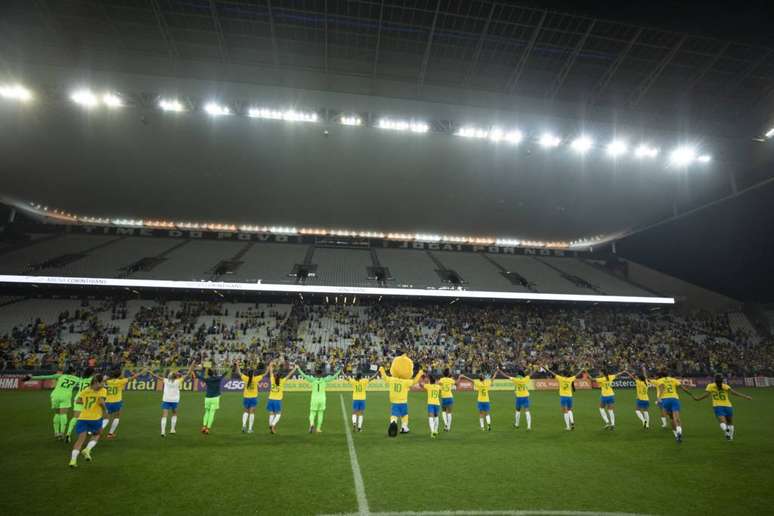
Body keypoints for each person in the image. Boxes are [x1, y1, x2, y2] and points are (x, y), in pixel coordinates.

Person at [26, 368, 82, 439]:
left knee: (57, 413)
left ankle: (56, 432)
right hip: (66, 396)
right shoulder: (77, 379)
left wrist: (32, 377)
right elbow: (86, 384)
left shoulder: (60, 375)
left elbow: (45, 377)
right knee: (63, 414)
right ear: (73, 372)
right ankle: (62, 432)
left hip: (55, 395)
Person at [693, 374, 752, 440]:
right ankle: (730, 437)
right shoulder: (725, 386)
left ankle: (726, 430)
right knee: (730, 422)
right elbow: (734, 393)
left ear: (715, 379)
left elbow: (706, 395)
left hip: (717, 406)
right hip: (728, 406)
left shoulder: (710, 386)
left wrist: (698, 399)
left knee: (722, 422)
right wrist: (746, 397)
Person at [68, 375, 107, 468]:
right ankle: (87, 450)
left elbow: (77, 400)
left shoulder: (85, 390)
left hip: (82, 418)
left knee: (80, 440)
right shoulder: (102, 390)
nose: (104, 384)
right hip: (95, 418)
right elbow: (101, 402)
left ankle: (73, 460)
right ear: (97, 382)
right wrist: (106, 410)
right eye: (102, 382)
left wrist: (86, 402)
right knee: (97, 434)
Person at [148, 363, 193, 437]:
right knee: (174, 413)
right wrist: (192, 366)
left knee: (164, 415)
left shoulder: (166, 380)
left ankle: (163, 432)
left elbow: (156, 376)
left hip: (166, 399)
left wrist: (151, 372)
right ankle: (172, 429)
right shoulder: (178, 381)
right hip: (175, 400)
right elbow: (188, 374)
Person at [378, 363, 424, 437]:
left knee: (394, 414)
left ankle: (393, 422)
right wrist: (420, 373)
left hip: (394, 402)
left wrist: (381, 370)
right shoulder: (406, 381)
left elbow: (385, 377)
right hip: (403, 401)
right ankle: (404, 427)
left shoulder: (392, 379)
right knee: (404, 415)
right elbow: (414, 381)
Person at [654, 371, 696, 443]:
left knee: (671, 418)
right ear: (668, 374)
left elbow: (662, 388)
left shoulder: (659, 380)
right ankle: (679, 432)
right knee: (677, 418)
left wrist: (658, 398)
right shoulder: (673, 379)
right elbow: (683, 388)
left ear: (661, 375)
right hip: (674, 399)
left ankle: (676, 435)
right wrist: (691, 394)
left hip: (666, 400)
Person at [102, 367, 143, 439]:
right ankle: (110, 434)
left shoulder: (108, 382)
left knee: (106, 419)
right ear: (119, 375)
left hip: (107, 402)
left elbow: (102, 380)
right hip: (117, 402)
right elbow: (133, 377)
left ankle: (97, 431)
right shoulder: (120, 381)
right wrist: (141, 372)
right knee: (117, 417)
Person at [297, 367, 342, 433]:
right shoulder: (325, 380)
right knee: (320, 414)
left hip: (314, 399)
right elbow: (334, 376)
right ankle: (318, 429)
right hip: (322, 399)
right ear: (321, 374)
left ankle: (312, 424)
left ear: (316, 374)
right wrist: (339, 371)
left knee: (312, 413)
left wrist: (298, 369)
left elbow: (303, 375)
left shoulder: (312, 379)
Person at [543, 365, 585, 431]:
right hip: (570, 396)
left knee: (564, 411)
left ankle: (568, 427)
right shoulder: (570, 379)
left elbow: (552, 373)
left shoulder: (560, 378)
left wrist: (546, 368)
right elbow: (577, 375)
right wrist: (582, 370)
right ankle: (572, 422)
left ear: (563, 374)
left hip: (563, 397)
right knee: (570, 410)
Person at [195, 364, 230, 435]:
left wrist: (194, 370)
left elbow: (198, 376)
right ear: (213, 373)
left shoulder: (207, 379)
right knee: (212, 414)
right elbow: (224, 374)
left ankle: (204, 426)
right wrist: (228, 369)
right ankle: (207, 428)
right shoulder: (218, 378)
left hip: (207, 398)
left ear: (208, 374)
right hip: (215, 398)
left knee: (206, 412)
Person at [267, 361, 298, 434]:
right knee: (278, 414)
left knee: (271, 413)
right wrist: (295, 368)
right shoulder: (282, 381)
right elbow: (289, 374)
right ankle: (273, 425)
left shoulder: (272, 379)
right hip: (277, 400)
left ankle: (270, 425)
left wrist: (270, 364)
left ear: (275, 376)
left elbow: (270, 371)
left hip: (270, 399)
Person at [235, 361, 266, 434]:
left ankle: (243, 425)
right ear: (253, 374)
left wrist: (237, 364)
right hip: (253, 398)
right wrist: (269, 368)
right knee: (252, 413)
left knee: (245, 412)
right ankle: (250, 429)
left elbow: (239, 372)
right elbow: (265, 374)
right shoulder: (255, 379)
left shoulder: (245, 378)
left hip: (246, 397)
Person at [65, 367, 95, 442]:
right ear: (92, 373)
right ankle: (89, 431)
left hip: (78, 398)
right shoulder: (92, 380)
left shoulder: (81, 378)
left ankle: (68, 433)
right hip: (87, 399)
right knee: (90, 416)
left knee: (75, 417)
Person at [592, 365, 624, 430]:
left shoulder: (601, 379)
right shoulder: (610, 377)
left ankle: (607, 422)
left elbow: (592, 379)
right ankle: (613, 425)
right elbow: (617, 374)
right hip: (611, 395)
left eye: (600, 372)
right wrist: (623, 371)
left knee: (601, 408)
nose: (599, 373)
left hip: (604, 396)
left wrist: (586, 373)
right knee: (610, 410)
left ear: (602, 373)